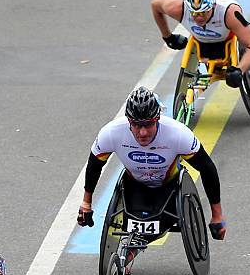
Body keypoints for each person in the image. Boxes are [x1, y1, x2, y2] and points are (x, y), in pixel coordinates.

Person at [77, 86, 226, 241]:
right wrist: (86, 204)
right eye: (136, 125)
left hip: (169, 187)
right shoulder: (111, 133)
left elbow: (207, 168)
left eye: (148, 124)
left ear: (157, 119)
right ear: (128, 121)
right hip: (135, 185)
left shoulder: (178, 134)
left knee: (161, 222)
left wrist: (217, 216)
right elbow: (94, 166)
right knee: (135, 219)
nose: (142, 132)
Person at [151, 0, 250, 87]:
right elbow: (155, 4)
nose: (198, 18)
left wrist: (240, 70)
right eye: (194, 13)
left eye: (203, 13)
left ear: (213, 6)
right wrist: (168, 37)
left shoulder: (230, 14)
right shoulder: (178, 8)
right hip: (201, 43)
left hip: (226, 41)